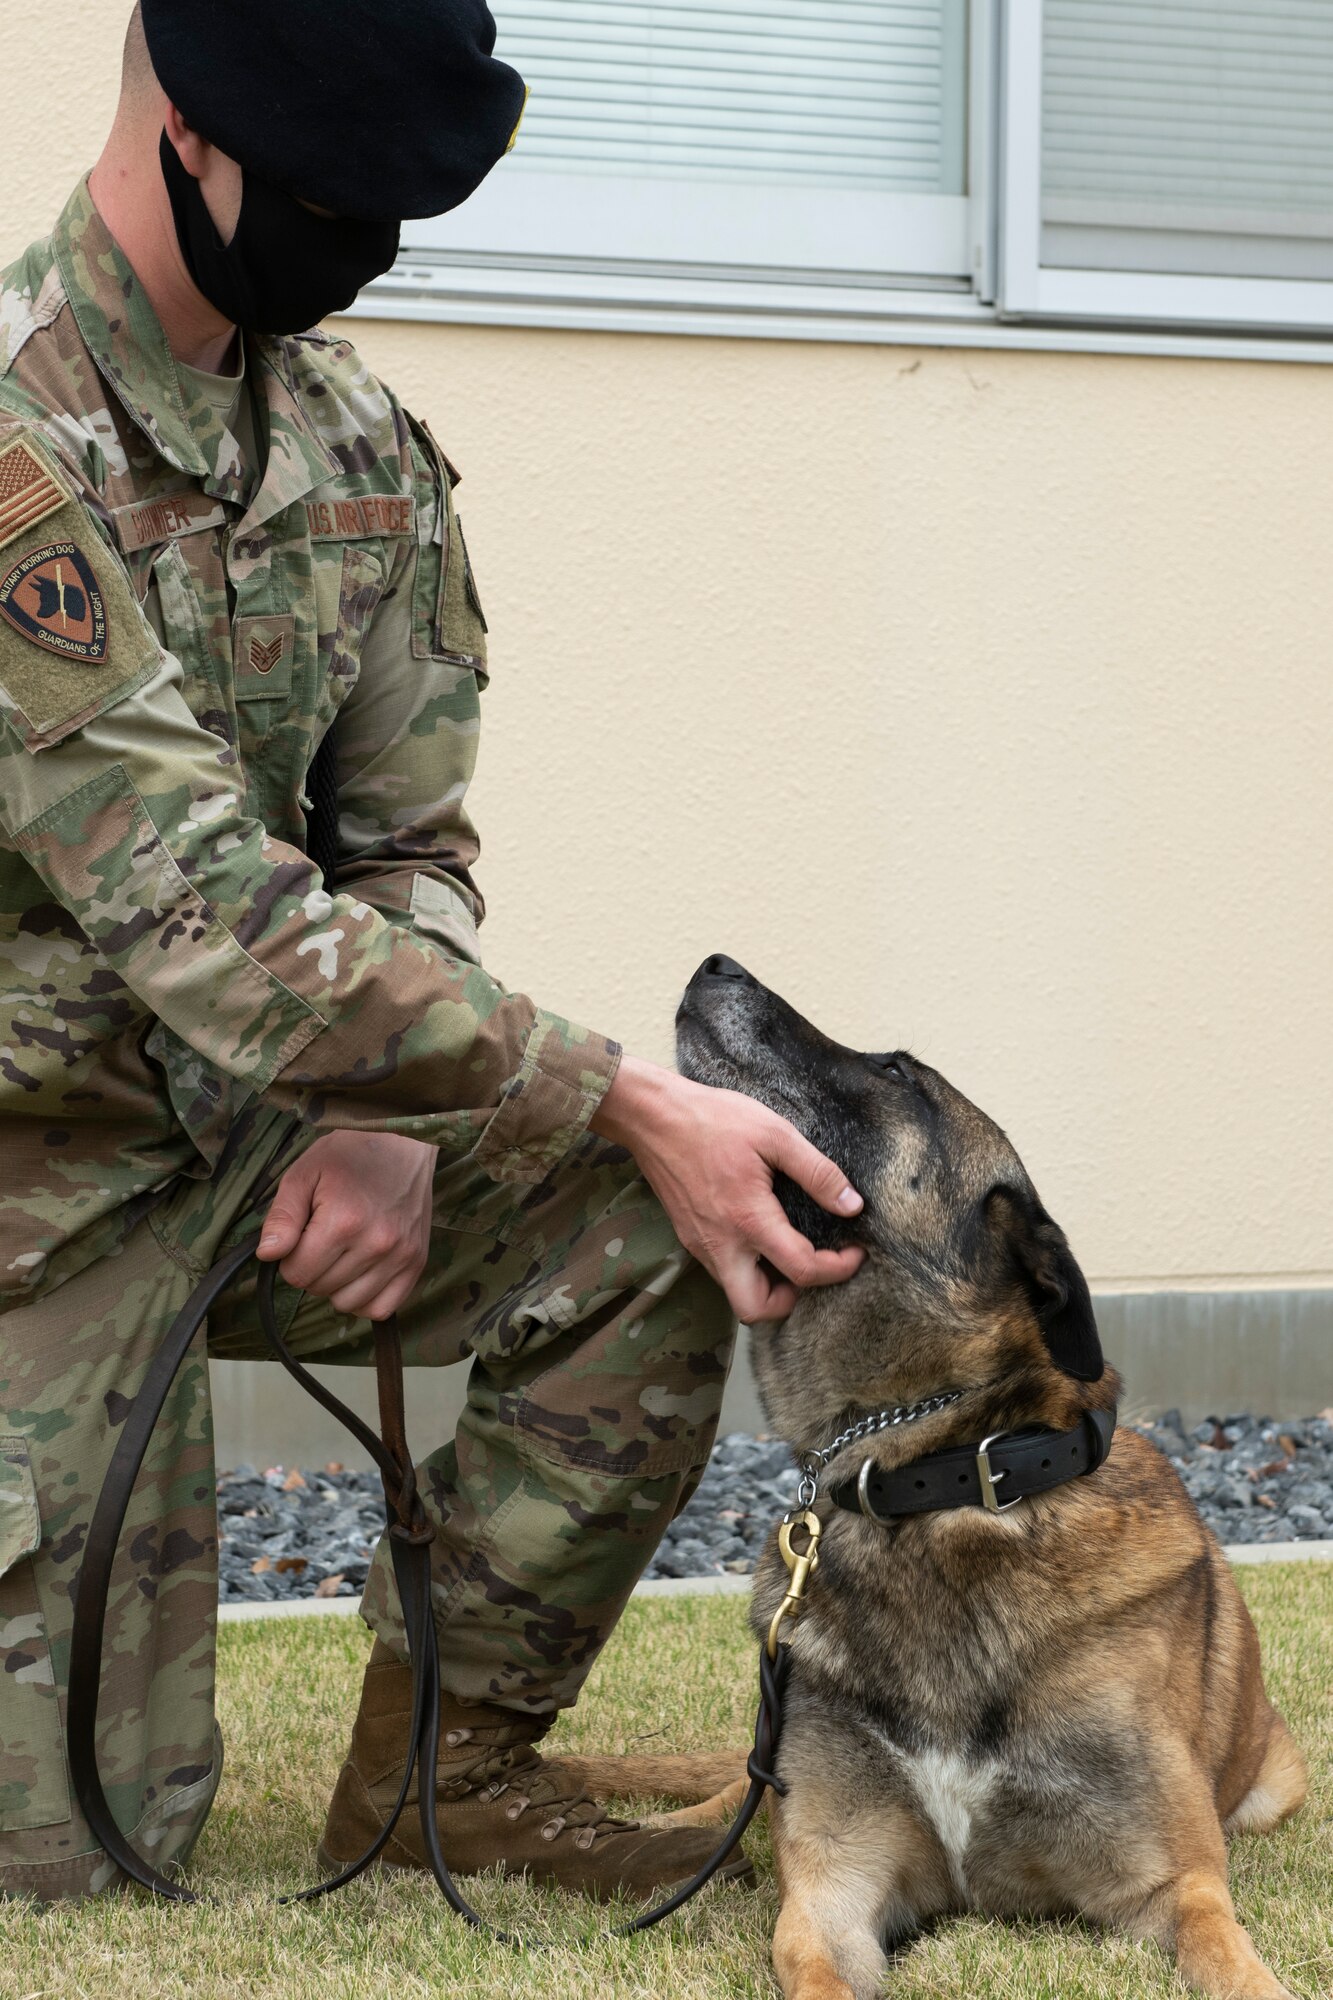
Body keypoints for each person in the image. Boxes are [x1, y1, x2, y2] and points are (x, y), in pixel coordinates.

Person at [0, 0, 865, 1903]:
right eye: (322, 200)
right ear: (185, 129)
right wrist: (612, 1083)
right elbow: (202, 906)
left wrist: (388, 1109)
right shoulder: (12, 453)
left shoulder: (353, 434)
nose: (350, 251)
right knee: (67, 1857)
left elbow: (408, 847)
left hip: (259, 1143)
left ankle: (452, 1775)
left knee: (659, 1209)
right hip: (29, 1189)